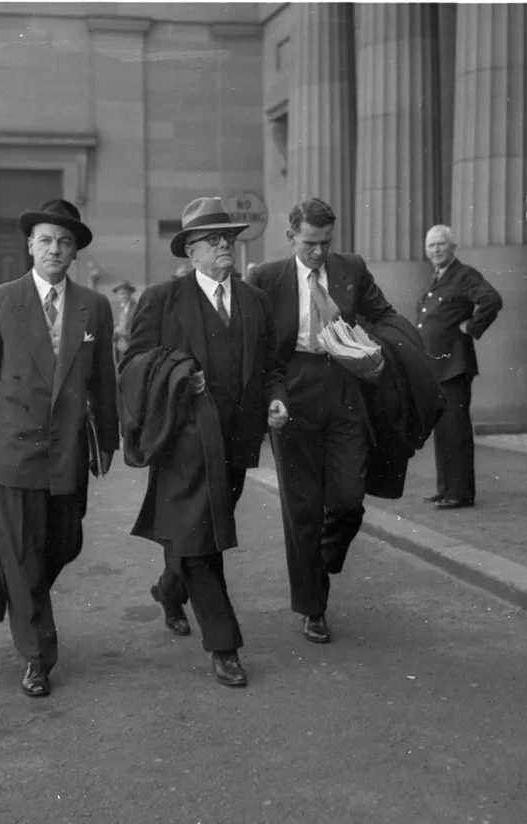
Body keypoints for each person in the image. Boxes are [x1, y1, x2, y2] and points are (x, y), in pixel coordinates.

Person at [121, 196, 287, 687]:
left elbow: (272, 366)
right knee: (200, 542)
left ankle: (170, 591)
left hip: (237, 443)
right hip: (183, 442)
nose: (224, 247)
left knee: (200, 533)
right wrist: (177, 376)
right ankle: (224, 644)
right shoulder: (161, 300)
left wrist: (276, 397)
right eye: (213, 240)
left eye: (229, 238)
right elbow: (133, 365)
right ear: (190, 251)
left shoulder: (255, 300)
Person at [0, 199, 119, 698]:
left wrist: (108, 441)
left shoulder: (94, 305)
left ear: (75, 252)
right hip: (12, 451)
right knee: (23, 555)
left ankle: (23, 598)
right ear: (30, 245)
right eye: (47, 240)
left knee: (64, 544)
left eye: (65, 242)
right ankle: (38, 656)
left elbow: (103, 381)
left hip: (67, 451)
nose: (55, 248)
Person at [247, 197, 392, 645]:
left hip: (343, 388)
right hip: (293, 393)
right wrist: (271, 398)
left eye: (325, 243)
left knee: (349, 495)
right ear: (291, 236)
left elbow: (383, 314)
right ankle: (313, 608)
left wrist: (369, 344)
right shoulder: (266, 278)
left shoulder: (351, 269)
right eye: (309, 243)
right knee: (302, 509)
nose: (317, 253)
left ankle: (321, 557)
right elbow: (259, 348)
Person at [418, 225, 503, 509]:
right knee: (443, 430)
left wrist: (472, 327)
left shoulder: (463, 274)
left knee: (455, 430)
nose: (436, 250)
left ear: (452, 247)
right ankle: (445, 489)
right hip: (437, 368)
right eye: (431, 246)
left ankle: (460, 493)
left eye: (441, 244)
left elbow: (491, 299)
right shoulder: (439, 277)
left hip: (454, 365)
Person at [111, 281, 138, 366]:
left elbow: (138, 326)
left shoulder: (136, 307)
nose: (122, 296)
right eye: (120, 294)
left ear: (130, 293)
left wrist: (124, 333)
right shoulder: (120, 308)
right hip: (120, 344)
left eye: (124, 293)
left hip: (132, 343)